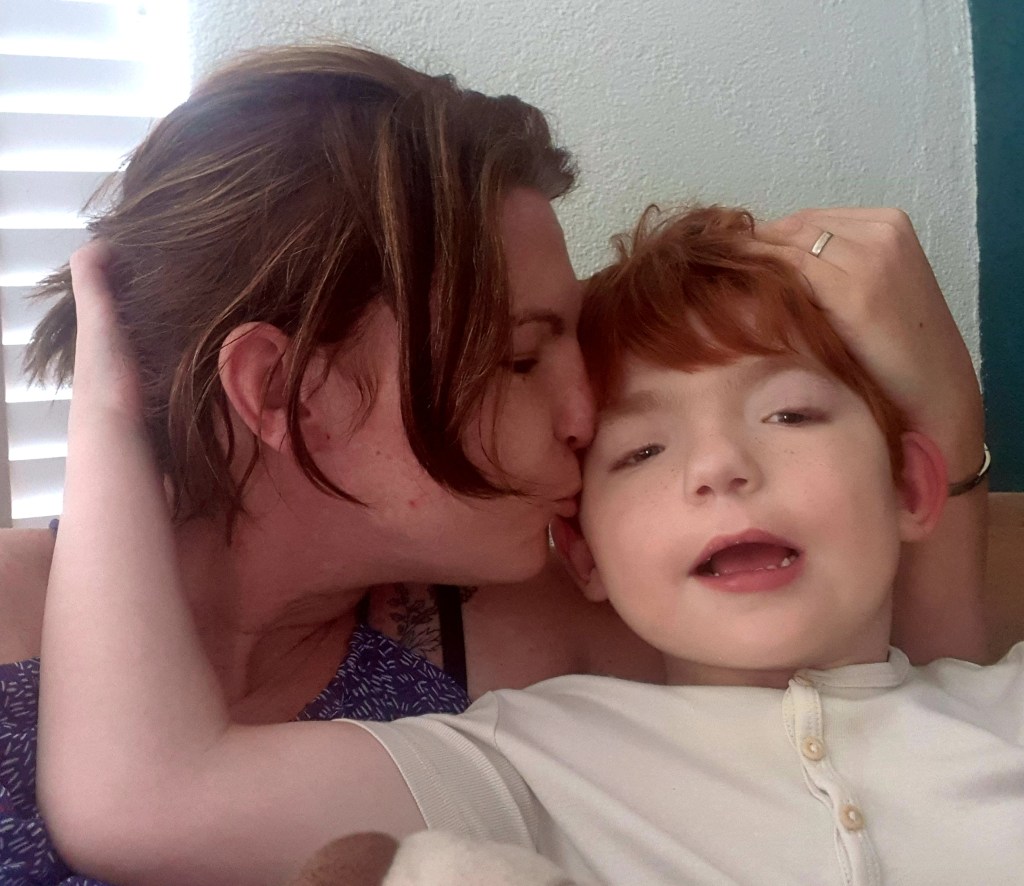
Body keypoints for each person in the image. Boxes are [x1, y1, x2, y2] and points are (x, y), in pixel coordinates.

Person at [37, 200, 1004, 886]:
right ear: (579, 551)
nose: (720, 468)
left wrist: (947, 404)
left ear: (913, 485)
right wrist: (110, 415)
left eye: (790, 414)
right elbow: (144, 804)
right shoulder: (527, 762)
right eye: (642, 451)